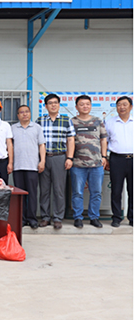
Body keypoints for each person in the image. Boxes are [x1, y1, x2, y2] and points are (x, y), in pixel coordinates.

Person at [37, 93, 76, 230]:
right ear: (45, 106)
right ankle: (45, 217)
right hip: (44, 158)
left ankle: (58, 218)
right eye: (50, 103)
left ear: (59, 105)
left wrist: (69, 158)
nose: (53, 105)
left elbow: (70, 140)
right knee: (44, 190)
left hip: (60, 157)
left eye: (55, 103)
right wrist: (40, 160)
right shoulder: (40, 121)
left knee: (59, 189)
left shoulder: (66, 120)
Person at [71, 94, 108, 228]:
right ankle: (78, 217)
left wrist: (104, 156)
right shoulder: (72, 122)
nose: (85, 106)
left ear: (91, 106)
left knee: (96, 193)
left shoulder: (98, 121)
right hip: (77, 164)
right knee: (77, 193)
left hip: (96, 164)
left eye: (87, 104)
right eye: (82, 104)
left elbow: (103, 139)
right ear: (76, 107)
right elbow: (69, 141)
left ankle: (94, 217)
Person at [11, 105, 46, 229]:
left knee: (32, 194)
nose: (24, 114)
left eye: (27, 112)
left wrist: (42, 161)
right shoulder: (13, 128)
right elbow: (9, 146)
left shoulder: (37, 127)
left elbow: (42, 145)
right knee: (19, 195)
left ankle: (32, 219)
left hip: (32, 166)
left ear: (30, 113)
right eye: (21, 112)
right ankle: (21, 219)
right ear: (18, 115)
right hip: (17, 166)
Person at [104, 96, 133, 228]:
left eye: (124, 104)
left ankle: (132, 217)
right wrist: (105, 158)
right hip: (116, 159)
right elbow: (105, 142)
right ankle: (116, 217)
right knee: (116, 190)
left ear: (130, 107)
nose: (122, 107)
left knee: (132, 191)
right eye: (119, 105)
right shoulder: (110, 122)